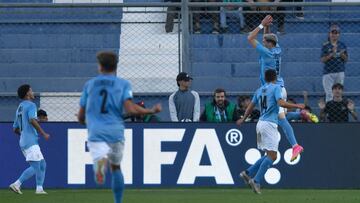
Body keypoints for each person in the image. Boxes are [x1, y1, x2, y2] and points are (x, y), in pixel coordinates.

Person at [77, 51, 161, 203]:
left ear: (100, 67)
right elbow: (130, 109)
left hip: (96, 131)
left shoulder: (89, 85)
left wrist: (84, 122)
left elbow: (81, 114)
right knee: (116, 167)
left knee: (100, 158)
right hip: (115, 131)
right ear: (115, 66)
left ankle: (100, 165)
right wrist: (150, 110)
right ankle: (118, 201)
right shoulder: (123, 84)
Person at [237, 69, 305, 194]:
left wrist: (243, 119)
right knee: (273, 156)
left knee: (269, 155)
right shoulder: (276, 88)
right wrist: (297, 106)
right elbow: (280, 103)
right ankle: (256, 181)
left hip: (260, 123)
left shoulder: (259, 90)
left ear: (266, 78)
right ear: (275, 78)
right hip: (269, 124)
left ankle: (247, 172)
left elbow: (251, 106)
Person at [247, 14, 303, 161]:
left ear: (268, 44)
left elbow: (250, 38)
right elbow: (268, 38)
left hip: (274, 90)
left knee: (279, 119)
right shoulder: (276, 49)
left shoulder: (266, 52)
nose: (262, 41)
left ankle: (295, 145)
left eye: (264, 41)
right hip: (279, 87)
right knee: (279, 118)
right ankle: (293, 144)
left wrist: (260, 24)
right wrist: (267, 27)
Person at [9, 84, 50, 195]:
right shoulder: (31, 105)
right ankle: (17, 184)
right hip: (30, 141)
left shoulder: (20, 108)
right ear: (27, 93)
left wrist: (24, 135)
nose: (33, 92)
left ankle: (39, 189)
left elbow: (15, 129)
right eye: (31, 90)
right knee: (36, 167)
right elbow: (32, 120)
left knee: (42, 164)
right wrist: (43, 133)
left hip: (24, 141)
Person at [321, 24, 348, 102]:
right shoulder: (325, 45)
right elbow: (323, 60)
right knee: (329, 94)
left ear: (339, 34)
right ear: (329, 34)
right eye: (332, 32)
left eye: (336, 33)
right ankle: (329, 112)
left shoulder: (342, 45)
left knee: (338, 94)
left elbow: (346, 59)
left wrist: (341, 53)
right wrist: (332, 53)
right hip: (328, 73)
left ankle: (338, 111)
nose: (334, 34)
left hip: (339, 71)